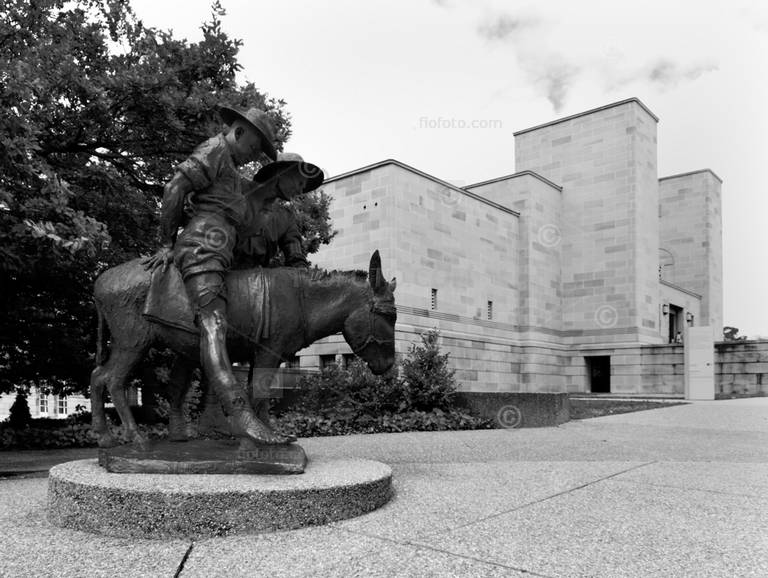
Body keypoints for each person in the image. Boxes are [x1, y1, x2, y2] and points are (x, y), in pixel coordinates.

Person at [143, 105, 292, 444]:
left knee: (210, 334)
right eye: (253, 149)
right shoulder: (215, 149)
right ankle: (241, 415)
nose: (252, 156)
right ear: (239, 133)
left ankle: (202, 417)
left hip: (220, 252)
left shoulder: (232, 171)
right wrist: (166, 243)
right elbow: (174, 189)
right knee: (214, 326)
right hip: (203, 247)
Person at [234, 152, 324, 269]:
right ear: (281, 172)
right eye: (300, 183)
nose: (301, 190)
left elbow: (295, 256)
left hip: (254, 281)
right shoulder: (236, 189)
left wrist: (303, 273)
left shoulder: (286, 217)